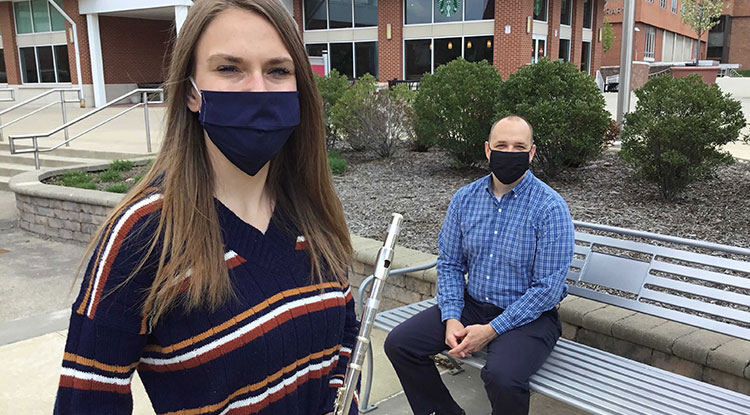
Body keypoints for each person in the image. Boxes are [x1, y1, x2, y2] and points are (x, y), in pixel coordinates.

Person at [53, 1, 358, 414]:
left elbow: (343, 345)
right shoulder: (142, 234)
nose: (259, 90)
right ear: (192, 91)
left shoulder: (312, 212)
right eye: (229, 69)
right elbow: (86, 402)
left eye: (278, 71)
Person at [384, 115, 575, 415]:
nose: (509, 153)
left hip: (531, 317)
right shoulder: (465, 199)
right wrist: (451, 317)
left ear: (532, 152)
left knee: (502, 377)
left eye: (518, 147)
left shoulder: (550, 208)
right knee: (400, 344)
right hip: (473, 305)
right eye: (501, 145)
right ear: (488, 150)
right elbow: (449, 263)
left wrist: (490, 330)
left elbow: (548, 290)